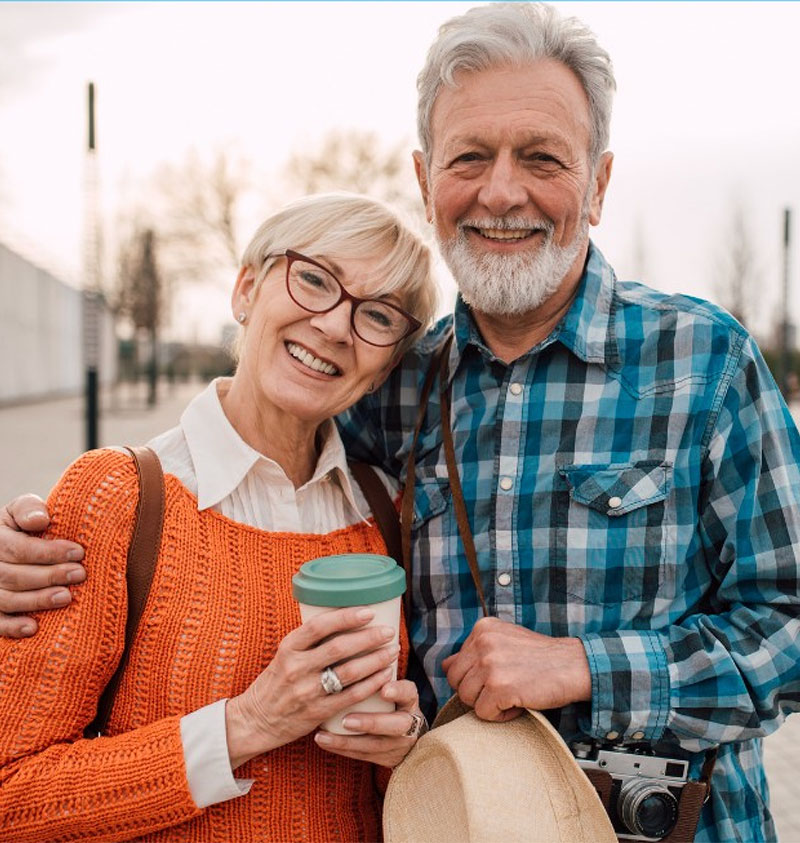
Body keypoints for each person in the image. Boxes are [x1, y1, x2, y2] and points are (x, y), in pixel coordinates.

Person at [2, 4, 800, 841]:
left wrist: (583, 666)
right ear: (425, 182)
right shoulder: (391, 384)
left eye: (541, 157)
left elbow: (788, 618)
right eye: (469, 157)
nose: (500, 190)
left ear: (597, 184)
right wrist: (46, 544)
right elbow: (249, 468)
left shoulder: (703, 363)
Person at [0, 192, 437, 841]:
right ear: (246, 290)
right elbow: (13, 794)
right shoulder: (117, 497)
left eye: (377, 315)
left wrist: (402, 743)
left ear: (384, 367)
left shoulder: (385, 513)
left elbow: (374, 795)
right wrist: (249, 723)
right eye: (314, 279)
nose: (335, 325)